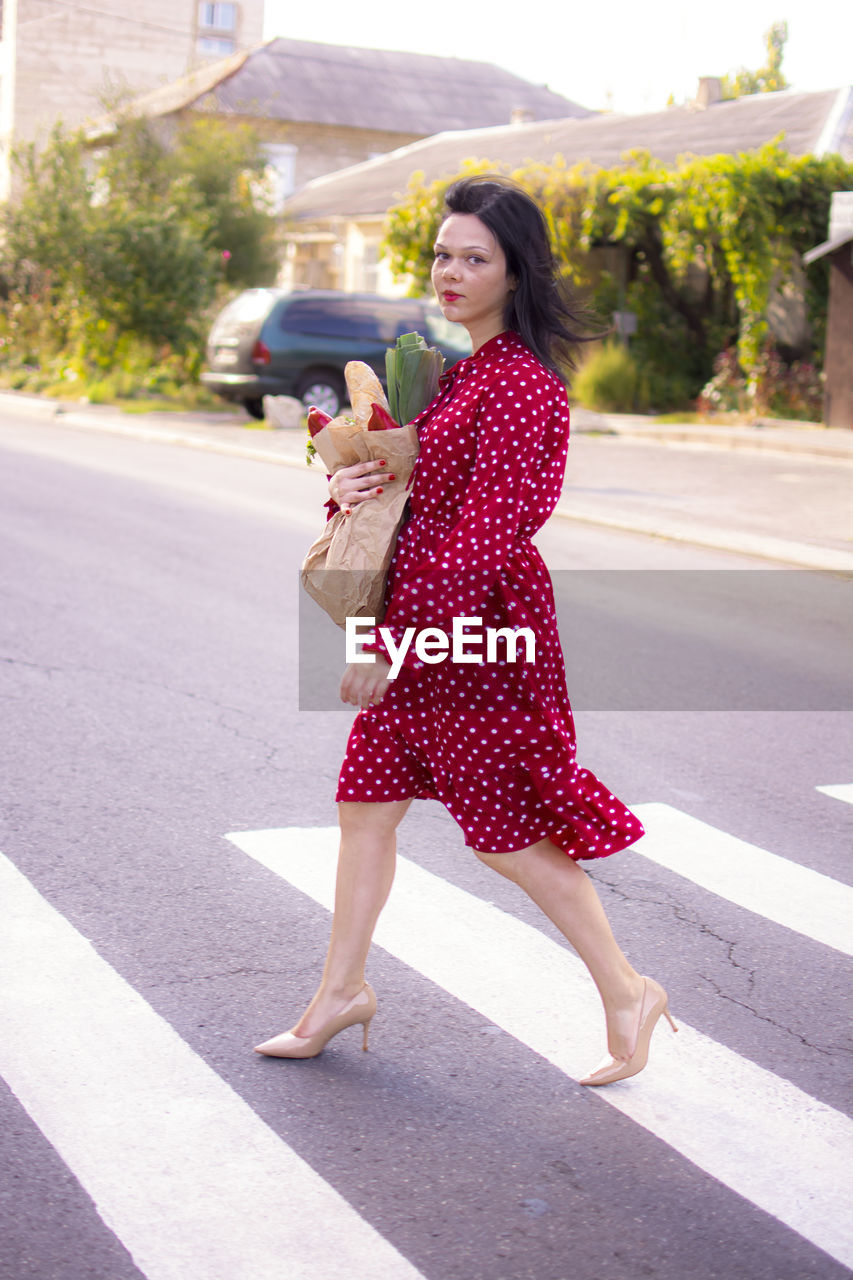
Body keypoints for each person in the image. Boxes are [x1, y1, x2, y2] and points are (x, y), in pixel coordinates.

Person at [255, 176, 677, 1085]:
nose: (450, 270)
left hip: (473, 630)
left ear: (515, 273)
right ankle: (340, 993)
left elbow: (487, 535)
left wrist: (388, 642)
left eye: (473, 257)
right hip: (426, 617)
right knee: (364, 805)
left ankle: (625, 989)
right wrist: (351, 487)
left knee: (503, 832)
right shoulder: (461, 376)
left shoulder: (521, 386)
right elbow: (419, 501)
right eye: (443, 253)